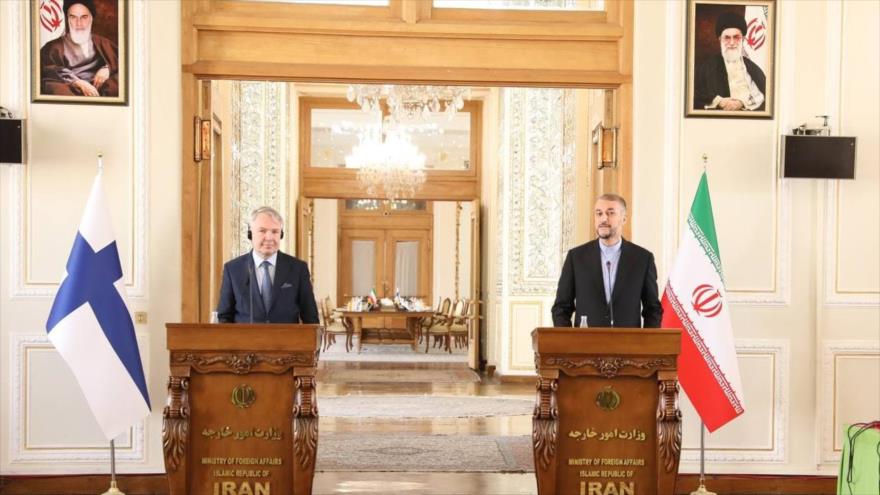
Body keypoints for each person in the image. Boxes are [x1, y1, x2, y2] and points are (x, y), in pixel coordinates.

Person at [551, 194, 662, 328]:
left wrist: (647, 340)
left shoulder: (643, 259)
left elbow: (653, 310)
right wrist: (568, 339)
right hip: (585, 341)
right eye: (599, 213)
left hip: (628, 341)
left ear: (624, 219)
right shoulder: (576, 257)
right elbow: (561, 308)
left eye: (610, 213)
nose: (603, 218)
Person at [216, 206, 319, 324]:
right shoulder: (233, 269)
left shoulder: (298, 269)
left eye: (275, 231)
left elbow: (311, 319)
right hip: (245, 336)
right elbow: (224, 317)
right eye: (262, 231)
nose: (269, 238)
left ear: (281, 235)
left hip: (286, 336)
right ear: (250, 234)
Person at [39, 0, 119, 97]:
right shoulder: (52, 47)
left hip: (100, 88)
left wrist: (107, 69)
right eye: (73, 17)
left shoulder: (103, 43)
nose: (79, 23)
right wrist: (76, 82)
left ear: (91, 19)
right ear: (67, 19)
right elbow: (46, 69)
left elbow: (123, 61)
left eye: (84, 17)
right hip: (70, 89)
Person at [693, 11, 766, 112]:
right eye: (727, 38)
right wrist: (719, 101)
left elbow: (764, 94)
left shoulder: (753, 68)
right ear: (720, 40)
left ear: (743, 39)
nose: (732, 43)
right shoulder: (706, 68)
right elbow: (694, 94)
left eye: (736, 37)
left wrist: (742, 103)